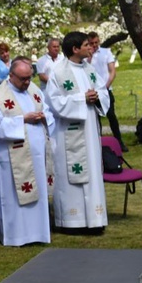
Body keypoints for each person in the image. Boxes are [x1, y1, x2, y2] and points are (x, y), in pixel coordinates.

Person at [46, 31, 109, 230]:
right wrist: (83, 99)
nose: (90, 48)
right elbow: (54, 103)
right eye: (86, 45)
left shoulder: (89, 69)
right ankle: (73, 220)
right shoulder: (58, 72)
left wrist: (97, 97)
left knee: (92, 168)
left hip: (90, 130)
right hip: (68, 134)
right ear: (75, 49)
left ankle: (95, 219)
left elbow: (103, 91)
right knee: (71, 174)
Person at [0, 58, 55, 246]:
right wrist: (22, 120)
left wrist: (44, 117)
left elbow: (49, 111)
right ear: (11, 76)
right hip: (12, 156)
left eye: (29, 78)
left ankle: (39, 233)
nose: (27, 82)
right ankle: (16, 236)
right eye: (23, 79)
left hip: (37, 153)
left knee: (38, 192)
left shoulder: (34, 91)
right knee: (15, 195)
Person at [88, 32, 126, 151]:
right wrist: (90, 56)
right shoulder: (86, 55)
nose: (94, 45)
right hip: (92, 91)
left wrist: (106, 86)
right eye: (91, 43)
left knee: (111, 116)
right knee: (95, 118)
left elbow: (112, 71)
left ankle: (119, 141)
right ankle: (97, 142)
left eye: (96, 43)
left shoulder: (106, 52)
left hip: (105, 89)